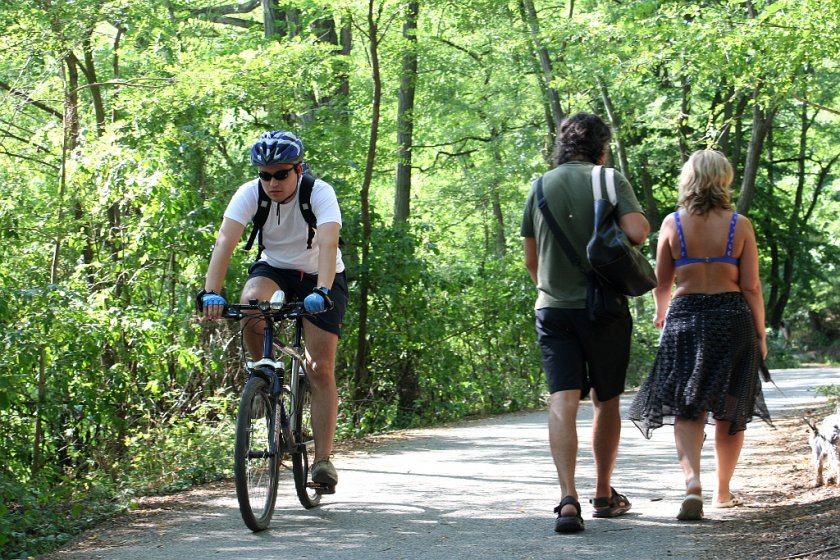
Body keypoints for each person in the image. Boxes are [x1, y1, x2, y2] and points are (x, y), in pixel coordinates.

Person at [521, 112, 650, 533]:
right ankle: (603, 492)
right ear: (602, 145)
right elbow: (638, 232)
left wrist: (556, 289)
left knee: (563, 397)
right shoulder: (608, 179)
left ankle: (567, 497)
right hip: (604, 307)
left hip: (553, 307)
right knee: (606, 399)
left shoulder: (539, 185)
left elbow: (531, 259)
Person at [198, 130, 348, 490]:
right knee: (251, 303)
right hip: (275, 268)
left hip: (320, 274)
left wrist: (323, 290)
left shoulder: (320, 193)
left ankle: (323, 461)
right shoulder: (250, 194)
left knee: (319, 366)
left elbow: (328, 243)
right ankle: (265, 379)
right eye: (265, 175)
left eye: (281, 174)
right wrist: (210, 293)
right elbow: (225, 242)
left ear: (298, 170)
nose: (272, 182)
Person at [627, 149, 772, 521]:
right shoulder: (740, 226)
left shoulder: (672, 224)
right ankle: (723, 491)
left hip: (686, 318)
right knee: (730, 406)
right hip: (732, 318)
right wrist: (760, 333)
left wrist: (662, 314)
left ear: (688, 179)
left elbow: (661, 283)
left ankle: (693, 483)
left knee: (688, 406)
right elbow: (752, 287)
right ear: (724, 179)